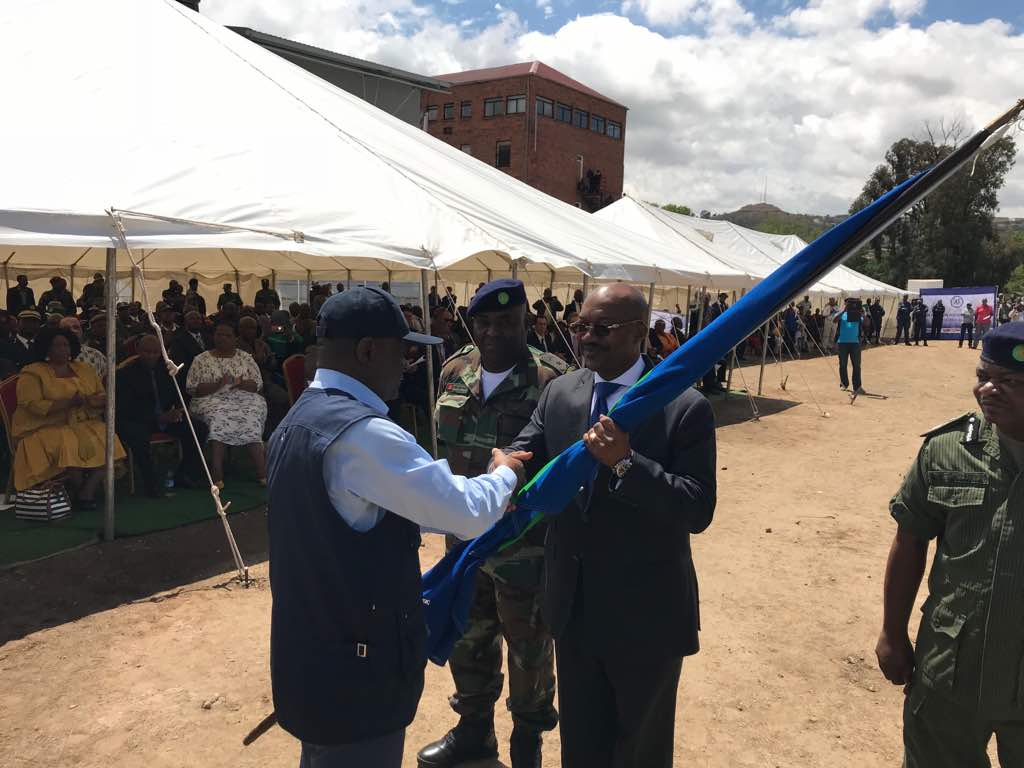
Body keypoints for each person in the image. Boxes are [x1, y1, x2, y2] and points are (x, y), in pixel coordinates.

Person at [266, 286, 532, 768]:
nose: (406, 367)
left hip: (314, 653)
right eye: (401, 352)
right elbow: (466, 513)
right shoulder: (365, 434)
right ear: (368, 350)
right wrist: (506, 472)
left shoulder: (300, 418)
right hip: (356, 669)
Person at [505, 284, 716, 768]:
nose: (586, 337)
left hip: (646, 617)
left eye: (602, 328)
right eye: (581, 326)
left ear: (640, 333)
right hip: (573, 606)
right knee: (581, 745)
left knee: (639, 748)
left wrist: (626, 463)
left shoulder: (682, 406)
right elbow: (527, 447)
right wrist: (507, 466)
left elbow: (698, 508)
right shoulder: (561, 392)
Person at [418, 280, 568, 768]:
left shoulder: (554, 381)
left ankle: (528, 744)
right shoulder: (454, 371)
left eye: (507, 322)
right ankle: (474, 731)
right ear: (473, 324)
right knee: (469, 636)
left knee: (529, 650)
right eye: (484, 322)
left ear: (526, 321)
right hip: (464, 540)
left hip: (526, 546)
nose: (494, 331)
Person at [875, 322, 1024, 768]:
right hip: (952, 668)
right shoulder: (950, 450)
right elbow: (910, 538)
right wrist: (892, 631)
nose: (990, 390)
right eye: (983, 376)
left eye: (1012, 382)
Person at [10, 326, 126, 508]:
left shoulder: (85, 369)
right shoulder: (32, 372)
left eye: (66, 345)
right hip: (41, 427)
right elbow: (32, 405)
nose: (63, 349)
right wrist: (68, 403)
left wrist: (94, 401)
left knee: (108, 438)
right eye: (57, 345)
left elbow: (102, 395)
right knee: (68, 441)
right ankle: (81, 491)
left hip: (83, 423)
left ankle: (86, 490)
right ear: (46, 348)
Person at [115, 335, 208, 496]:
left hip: (165, 416)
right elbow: (126, 408)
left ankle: (185, 474)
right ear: (138, 350)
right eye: (147, 352)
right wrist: (158, 417)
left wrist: (178, 411)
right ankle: (151, 484)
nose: (151, 356)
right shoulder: (125, 374)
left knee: (198, 428)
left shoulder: (167, 370)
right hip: (138, 420)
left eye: (155, 352)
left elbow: (178, 394)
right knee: (138, 437)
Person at [185, 323, 267, 487]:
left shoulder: (245, 358)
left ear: (235, 338)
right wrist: (218, 384)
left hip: (244, 398)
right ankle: (217, 472)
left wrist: (240, 383)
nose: (222, 338)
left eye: (227, 335)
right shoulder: (201, 359)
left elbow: (257, 384)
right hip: (210, 399)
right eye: (219, 335)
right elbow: (193, 389)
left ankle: (262, 471)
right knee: (220, 414)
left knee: (250, 412)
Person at [168, 310, 212, 388]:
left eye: (198, 318)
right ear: (186, 322)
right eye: (192, 318)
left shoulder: (208, 336)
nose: (196, 321)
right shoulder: (179, 340)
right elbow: (180, 363)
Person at [836, 298, 864, 393]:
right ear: (845, 304)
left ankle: (857, 386)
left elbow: (867, 323)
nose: (850, 305)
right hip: (842, 343)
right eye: (848, 303)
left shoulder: (857, 314)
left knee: (856, 365)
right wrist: (843, 310)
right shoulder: (842, 314)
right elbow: (834, 320)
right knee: (842, 365)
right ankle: (844, 384)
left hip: (855, 343)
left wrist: (863, 313)